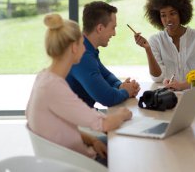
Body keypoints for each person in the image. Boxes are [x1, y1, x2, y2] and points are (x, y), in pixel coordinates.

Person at [26, 14, 132, 166]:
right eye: (82, 43)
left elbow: (61, 127)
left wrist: (93, 140)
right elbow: (104, 124)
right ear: (74, 47)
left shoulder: (44, 78)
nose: (85, 49)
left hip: (66, 156)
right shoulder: (54, 88)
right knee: (132, 151)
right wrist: (123, 114)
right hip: (76, 164)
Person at [133, 0, 195, 91]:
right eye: (163, 15)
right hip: (169, 97)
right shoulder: (155, 41)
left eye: (173, 13)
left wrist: (184, 85)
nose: (168, 19)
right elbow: (157, 78)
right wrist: (148, 49)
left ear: (181, 13)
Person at [66, 1, 140, 108]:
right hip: (68, 122)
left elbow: (106, 76)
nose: (114, 33)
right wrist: (126, 91)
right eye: (113, 28)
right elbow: (108, 98)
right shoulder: (82, 55)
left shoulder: (86, 47)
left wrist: (121, 86)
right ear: (100, 28)